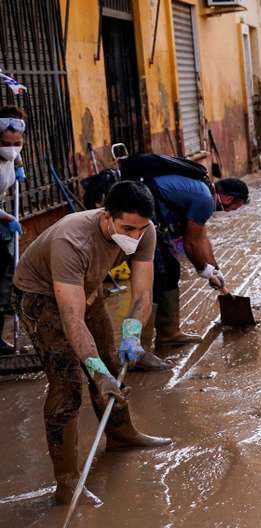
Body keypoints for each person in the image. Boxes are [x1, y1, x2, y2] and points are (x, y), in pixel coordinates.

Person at [15, 181, 171, 504]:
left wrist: (132, 331)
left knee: (112, 362)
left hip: (86, 287)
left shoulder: (144, 231)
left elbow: (142, 293)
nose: (135, 236)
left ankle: (119, 433)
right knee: (68, 383)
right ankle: (67, 482)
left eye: (141, 229)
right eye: (128, 228)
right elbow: (72, 320)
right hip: (39, 296)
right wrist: (95, 369)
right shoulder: (71, 241)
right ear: (106, 217)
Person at [134, 163, 251, 368]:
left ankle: (169, 333)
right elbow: (191, 243)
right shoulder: (205, 199)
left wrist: (215, 269)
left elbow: (202, 238)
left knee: (171, 269)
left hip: (153, 218)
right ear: (230, 198)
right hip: (139, 216)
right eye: (233, 208)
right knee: (156, 279)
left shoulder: (205, 192)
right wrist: (204, 271)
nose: (230, 212)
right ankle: (139, 353)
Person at [0, 108, 23, 354]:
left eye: (17, 143)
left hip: (3, 219)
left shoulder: (12, 154)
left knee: (6, 274)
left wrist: (19, 165)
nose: (12, 147)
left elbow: (16, 156)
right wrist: (7, 217)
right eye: (6, 144)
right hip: (1, 217)